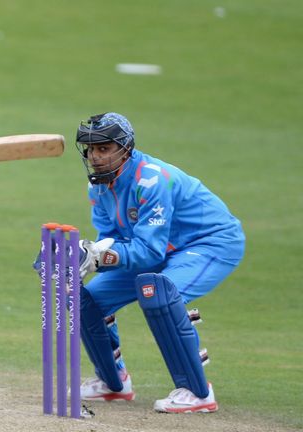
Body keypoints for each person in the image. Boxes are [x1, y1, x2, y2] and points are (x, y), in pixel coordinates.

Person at [73, 112, 244, 413]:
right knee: (85, 300)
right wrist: (89, 256)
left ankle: (198, 392)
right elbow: (113, 240)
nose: (95, 157)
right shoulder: (98, 186)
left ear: (125, 148)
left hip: (209, 243)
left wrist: (101, 258)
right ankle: (113, 383)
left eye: (104, 149)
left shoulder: (152, 180)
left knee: (158, 290)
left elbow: (149, 253)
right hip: (159, 248)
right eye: (91, 149)